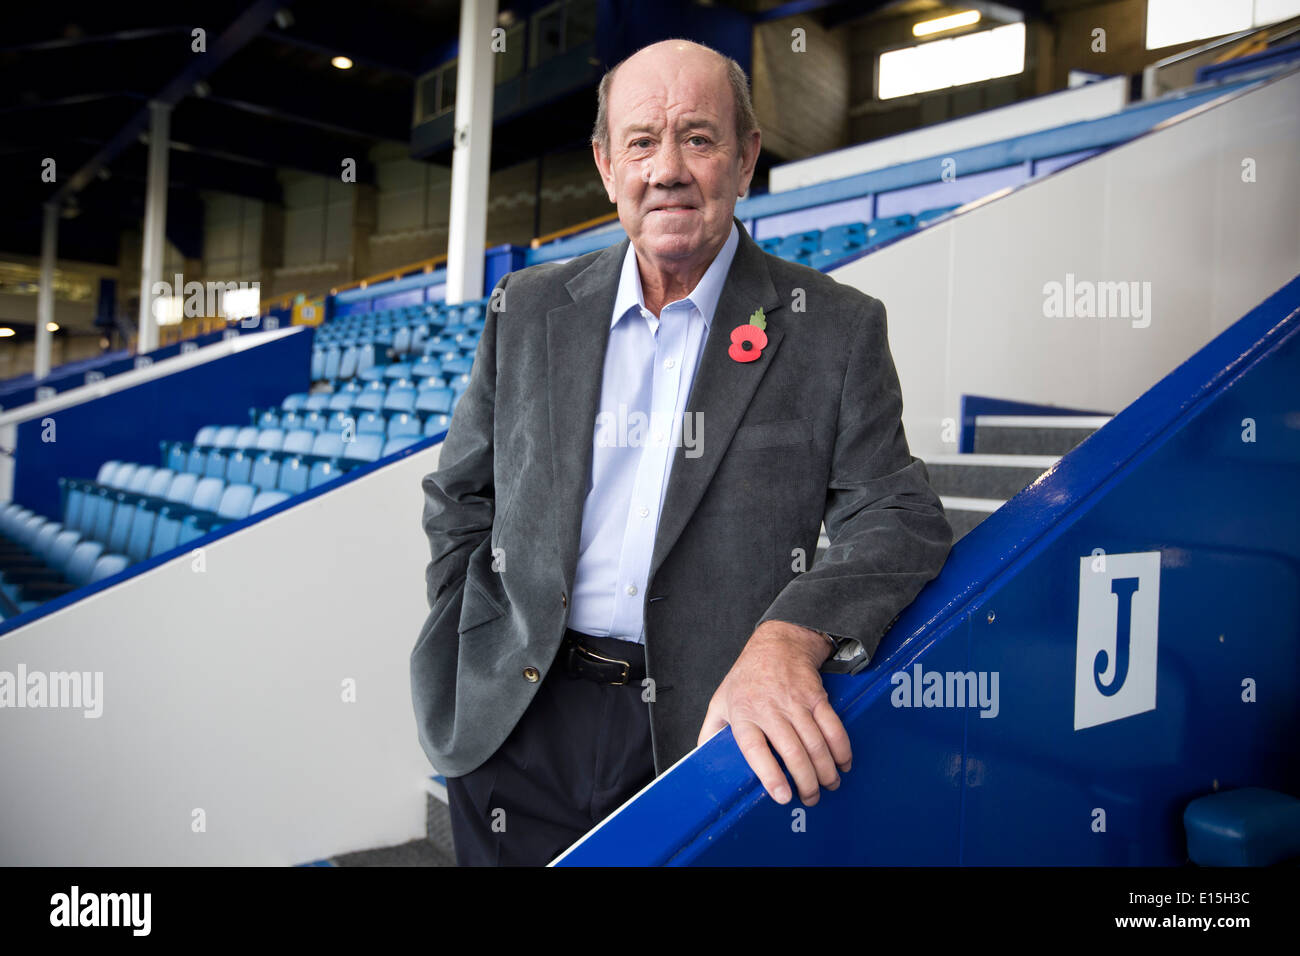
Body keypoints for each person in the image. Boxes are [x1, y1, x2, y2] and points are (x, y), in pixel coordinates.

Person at [411, 38, 953, 867]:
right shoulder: (526, 306)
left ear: (745, 158)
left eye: (698, 138)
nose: (666, 169)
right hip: (514, 721)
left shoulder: (833, 328)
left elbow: (899, 513)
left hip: (704, 737)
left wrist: (790, 637)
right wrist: (468, 625)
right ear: (605, 164)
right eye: (641, 142)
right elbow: (460, 495)